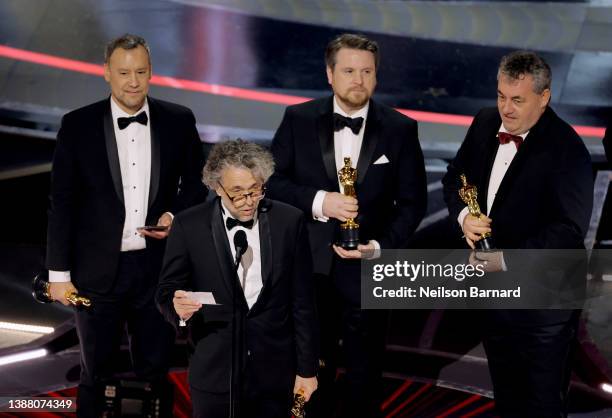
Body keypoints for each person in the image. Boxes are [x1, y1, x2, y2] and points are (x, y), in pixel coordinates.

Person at [45, 34, 208, 417]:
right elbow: (62, 203)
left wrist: (172, 217)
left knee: (156, 370)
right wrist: (58, 274)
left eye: (140, 72)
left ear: (151, 73)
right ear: (106, 73)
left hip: (157, 270)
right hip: (95, 272)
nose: (133, 81)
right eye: (123, 72)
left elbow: (199, 183)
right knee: (94, 372)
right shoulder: (78, 125)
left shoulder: (178, 120)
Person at [267, 33, 427, 417]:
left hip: (370, 274)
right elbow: (270, 181)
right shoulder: (298, 118)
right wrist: (322, 202)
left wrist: (379, 246)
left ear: (376, 75)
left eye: (367, 71)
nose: (358, 79)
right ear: (330, 74)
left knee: (365, 375)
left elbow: (412, 203)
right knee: (309, 370)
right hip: (309, 269)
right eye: (349, 70)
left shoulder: (400, 128)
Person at [442, 51, 593, 417]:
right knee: (507, 400)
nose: (506, 109)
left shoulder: (568, 150)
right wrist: (464, 218)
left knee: (540, 406)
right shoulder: (484, 123)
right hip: (494, 301)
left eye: (517, 100)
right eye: (500, 96)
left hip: (543, 310)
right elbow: (456, 177)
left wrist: (503, 259)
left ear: (544, 97)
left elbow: (567, 231)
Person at [156, 140, 319, 418]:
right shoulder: (189, 224)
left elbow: (302, 302)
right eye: (237, 193)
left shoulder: (289, 221)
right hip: (214, 373)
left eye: (255, 191)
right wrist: (177, 308)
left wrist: (307, 370)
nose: (247, 202)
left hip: (274, 375)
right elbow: (166, 290)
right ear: (217, 188)